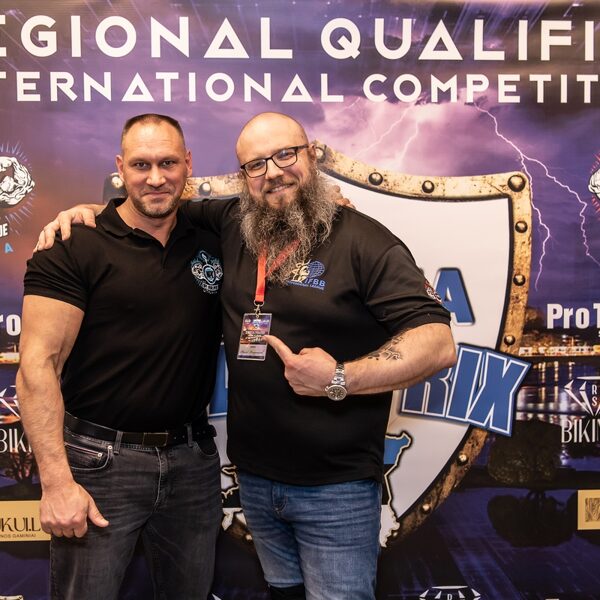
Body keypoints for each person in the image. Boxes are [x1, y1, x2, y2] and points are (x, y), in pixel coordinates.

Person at [37, 111, 457, 600]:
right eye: (256, 164)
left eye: (285, 155)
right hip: (256, 482)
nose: (272, 172)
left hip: (334, 489)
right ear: (244, 176)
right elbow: (150, 207)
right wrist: (87, 213)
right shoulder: (234, 223)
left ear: (311, 156)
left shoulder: (365, 240)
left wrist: (340, 377)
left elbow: (437, 342)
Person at [16, 114, 223, 600]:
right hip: (99, 465)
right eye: (141, 165)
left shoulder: (212, 237)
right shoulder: (74, 244)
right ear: (120, 167)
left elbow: (278, 205)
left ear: (188, 164)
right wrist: (57, 484)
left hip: (193, 462)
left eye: (168, 163)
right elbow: (36, 367)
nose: (156, 178)